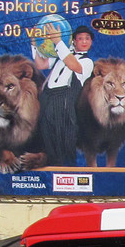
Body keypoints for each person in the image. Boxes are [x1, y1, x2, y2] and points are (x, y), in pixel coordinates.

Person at [32, 23, 94, 166]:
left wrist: (58, 41)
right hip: (48, 98)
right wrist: (35, 45)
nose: (84, 42)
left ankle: (67, 175)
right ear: (74, 41)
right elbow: (41, 64)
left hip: (64, 102)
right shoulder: (62, 54)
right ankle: (52, 173)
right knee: (48, 139)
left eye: (87, 39)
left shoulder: (87, 62)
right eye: (80, 38)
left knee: (64, 142)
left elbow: (74, 66)